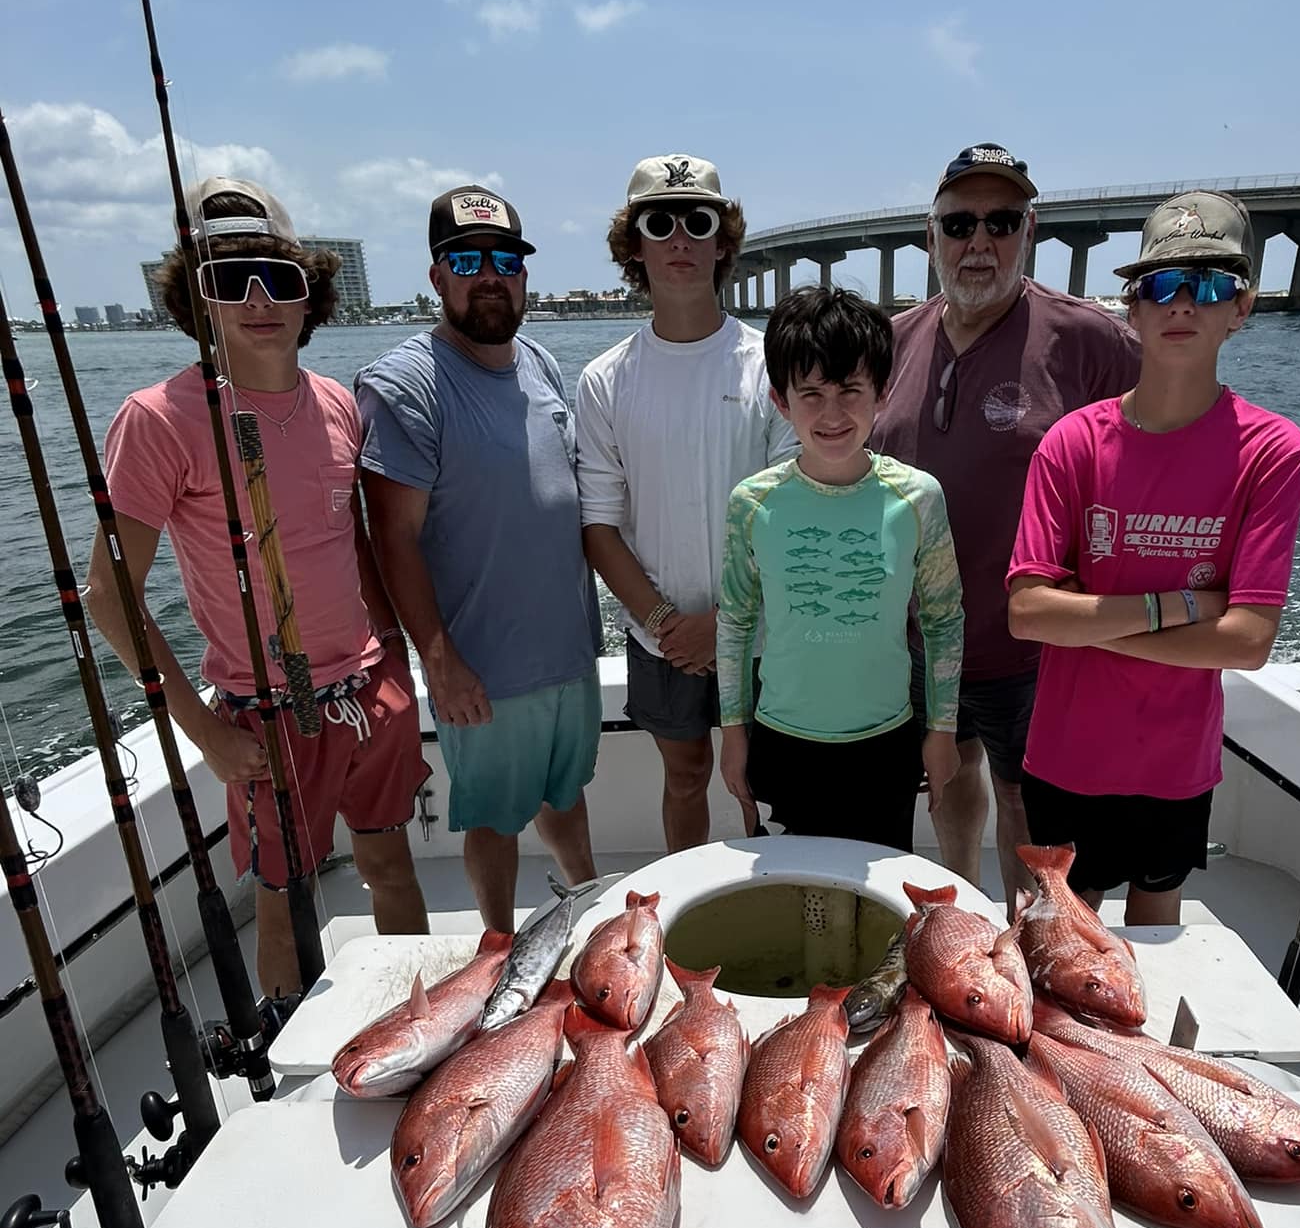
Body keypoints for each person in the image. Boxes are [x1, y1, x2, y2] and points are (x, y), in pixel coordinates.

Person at [90, 177, 429, 1011]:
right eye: (226, 279)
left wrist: (397, 664)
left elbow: (350, 543)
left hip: (369, 689)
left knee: (393, 863)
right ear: (193, 300)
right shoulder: (158, 418)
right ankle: (292, 1063)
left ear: (309, 292)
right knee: (287, 897)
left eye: (277, 277)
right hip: (266, 713)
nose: (256, 299)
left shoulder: (339, 403)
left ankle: (432, 1029)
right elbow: (109, 595)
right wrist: (204, 731)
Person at [1007, 191, 1300, 924]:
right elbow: (1026, 613)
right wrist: (1180, 607)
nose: (1184, 304)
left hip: (1175, 763)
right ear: (1133, 309)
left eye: (1209, 285)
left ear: (1241, 307)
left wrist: (1084, 618)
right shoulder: (1072, 442)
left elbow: (1247, 641)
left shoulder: (1274, 452)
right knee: (1059, 946)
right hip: (1066, 753)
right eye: (1161, 285)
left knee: (1156, 945)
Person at [872, 142, 1141, 908]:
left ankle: (1027, 941)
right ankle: (962, 913)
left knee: (1026, 804)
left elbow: (1166, 441)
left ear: (1031, 230)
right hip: (919, 639)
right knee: (948, 785)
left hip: (1034, 643)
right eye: (960, 224)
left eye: (1002, 221)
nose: (979, 242)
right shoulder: (889, 342)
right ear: (931, 237)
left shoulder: (1091, 340)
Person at [356, 186, 602, 931]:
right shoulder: (404, 385)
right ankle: (498, 946)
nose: (489, 274)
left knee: (566, 796)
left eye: (506, 260)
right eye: (467, 259)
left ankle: (591, 910)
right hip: (484, 668)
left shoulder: (538, 362)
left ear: (524, 275)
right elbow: (391, 537)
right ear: (437, 276)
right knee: (494, 822)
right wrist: (440, 658)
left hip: (568, 652)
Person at [576, 154, 797, 851]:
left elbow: (791, 509)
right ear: (633, 244)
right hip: (659, 632)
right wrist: (670, 622)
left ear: (723, 241)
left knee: (770, 783)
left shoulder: (772, 364)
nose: (679, 238)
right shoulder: (603, 380)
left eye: (698, 221)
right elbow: (600, 525)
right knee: (685, 776)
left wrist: (726, 622)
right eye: (658, 222)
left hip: (765, 630)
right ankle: (686, 919)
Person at [717, 286, 963, 852]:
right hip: (782, 742)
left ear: (882, 393)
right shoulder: (751, 503)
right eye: (812, 394)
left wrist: (942, 731)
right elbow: (734, 623)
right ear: (781, 401)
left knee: (875, 909)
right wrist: (734, 732)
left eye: (851, 391)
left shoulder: (918, 496)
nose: (832, 414)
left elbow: (944, 620)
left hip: (886, 742)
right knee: (799, 905)